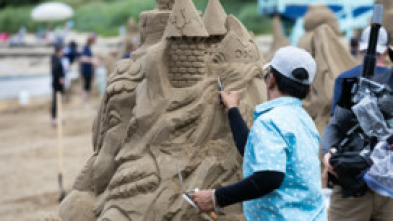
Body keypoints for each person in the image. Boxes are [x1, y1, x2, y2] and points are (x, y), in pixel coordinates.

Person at [192, 46, 326, 221]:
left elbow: (269, 177)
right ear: (308, 90)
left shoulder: (270, 121)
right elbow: (254, 152)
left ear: (271, 80)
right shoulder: (304, 120)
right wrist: (233, 110)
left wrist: (215, 198)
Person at [321, 26, 393, 221]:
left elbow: (337, 125)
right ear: (387, 50)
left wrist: (327, 153)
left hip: (352, 180)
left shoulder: (346, 79)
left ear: (359, 49)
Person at [330, 26, 390, 115]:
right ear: (387, 50)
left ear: (359, 47)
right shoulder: (390, 78)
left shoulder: (343, 78)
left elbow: (336, 119)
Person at [80, 33, 97, 108]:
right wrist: (92, 60)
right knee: (86, 87)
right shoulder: (85, 47)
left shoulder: (88, 47)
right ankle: (85, 103)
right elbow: (82, 58)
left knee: (88, 86)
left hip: (89, 70)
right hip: (86, 71)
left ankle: (87, 102)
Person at [51, 44, 65, 127]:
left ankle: (58, 117)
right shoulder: (55, 58)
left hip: (59, 83)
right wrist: (60, 78)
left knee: (59, 101)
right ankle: (54, 119)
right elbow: (55, 70)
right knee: (56, 101)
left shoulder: (58, 58)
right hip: (57, 84)